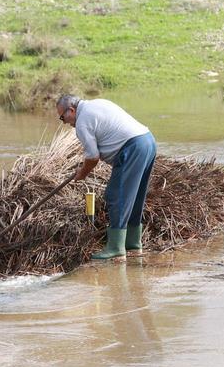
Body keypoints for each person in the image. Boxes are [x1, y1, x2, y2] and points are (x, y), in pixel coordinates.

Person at [56, 94, 156, 261]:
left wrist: (83, 173)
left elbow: (92, 157)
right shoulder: (97, 103)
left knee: (115, 195)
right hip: (148, 141)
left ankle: (116, 248)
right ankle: (133, 245)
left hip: (132, 148)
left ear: (71, 110)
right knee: (135, 196)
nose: (65, 122)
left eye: (62, 117)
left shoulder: (82, 122)